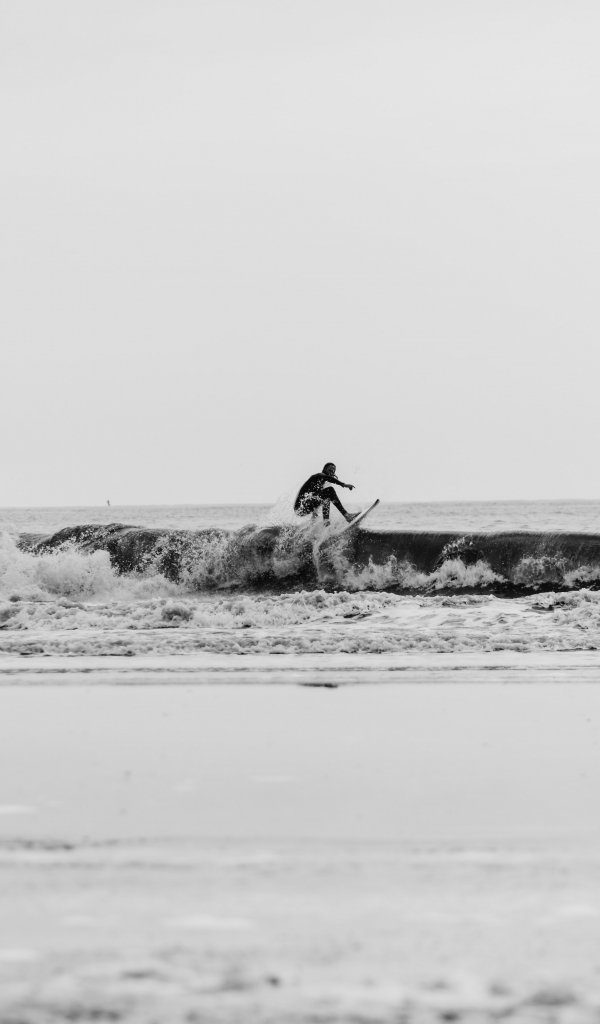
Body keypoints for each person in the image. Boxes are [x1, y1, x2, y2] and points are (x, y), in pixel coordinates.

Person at [294, 463, 358, 524]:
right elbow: (327, 478)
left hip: (302, 508)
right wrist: (343, 484)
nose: (332, 470)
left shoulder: (319, 484)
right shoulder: (318, 475)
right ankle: (346, 515)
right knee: (330, 490)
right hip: (300, 507)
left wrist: (314, 514)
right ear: (324, 469)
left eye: (334, 470)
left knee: (326, 497)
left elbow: (315, 497)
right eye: (331, 468)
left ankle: (326, 523)